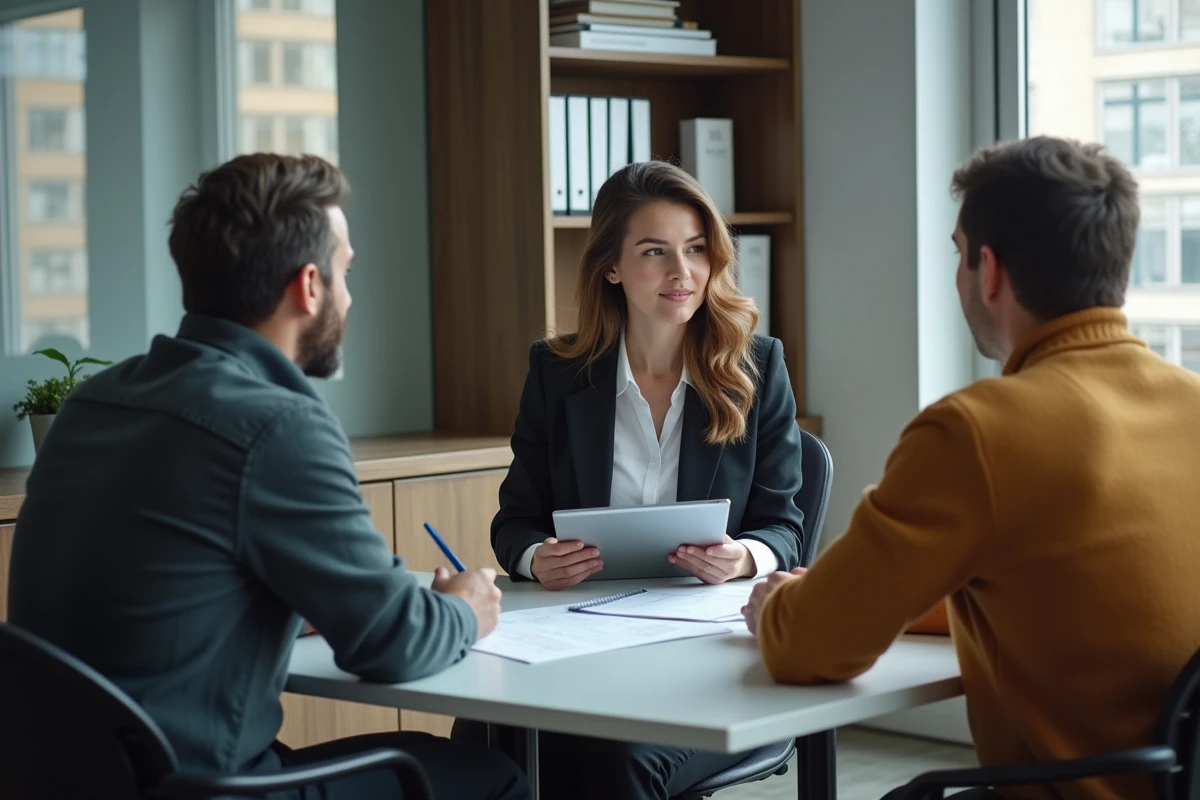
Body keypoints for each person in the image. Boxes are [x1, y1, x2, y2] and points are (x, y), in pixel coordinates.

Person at [7, 154, 529, 800]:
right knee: (497, 779)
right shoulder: (276, 426)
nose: (350, 294)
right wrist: (464, 610)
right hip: (205, 786)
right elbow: (392, 642)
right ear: (308, 286)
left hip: (74, 779)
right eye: (346, 272)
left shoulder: (95, 402)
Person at [743, 137, 1200, 800]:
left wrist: (781, 606)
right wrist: (872, 596)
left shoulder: (977, 432)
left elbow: (808, 648)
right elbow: (1060, 583)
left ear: (989, 271)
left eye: (958, 255)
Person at [478, 160, 807, 800]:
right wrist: (534, 557)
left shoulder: (758, 368)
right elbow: (514, 521)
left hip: (707, 652)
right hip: (579, 638)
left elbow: (787, 528)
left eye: (695, 250)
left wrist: (745, 556)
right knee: (488, 737)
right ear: (612, 266)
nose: (682, 273)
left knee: (615, 761)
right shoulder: (557, 372)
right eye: (655, 252)